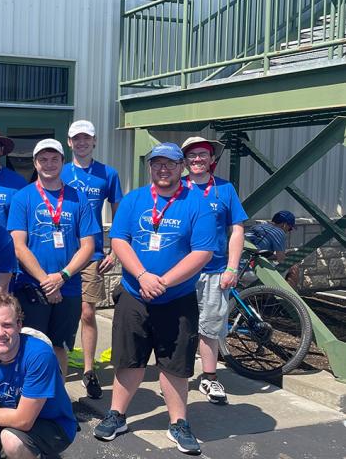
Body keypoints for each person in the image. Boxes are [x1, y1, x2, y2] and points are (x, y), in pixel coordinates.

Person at [95, 142, 217, 455]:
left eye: (170, 164)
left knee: (175, 364)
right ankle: (117, 415)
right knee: (129, 358)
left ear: (181, 167)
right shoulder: (135, 199)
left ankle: (178, 423)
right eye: (157, 163)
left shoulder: (197, 204)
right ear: (150, 167)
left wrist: (163, 282)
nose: (163, 169)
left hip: (177, 299)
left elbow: (203, 252)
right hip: (135, 295)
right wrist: (142, 276)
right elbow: (119, 239)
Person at [8, 138, 99, 376]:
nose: (49, 164)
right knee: (30, 345)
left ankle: (58, 395)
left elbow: (88, 246)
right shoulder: (23, 198)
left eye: (54, 159)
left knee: (60, 346)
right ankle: (30, 395)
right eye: (43, 159)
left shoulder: (78, 198)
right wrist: (46, 281)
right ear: (35, 163)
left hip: (68, 286)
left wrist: (62, 276)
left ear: (62, 161)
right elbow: (19, 246)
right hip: (31, 287)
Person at [0, 291, 77, 459]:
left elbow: (24, 421)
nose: (0, 333)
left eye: (7, 325)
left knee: (11, 440)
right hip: (13, 421)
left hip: (54, 425)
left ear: (19, 324)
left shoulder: (39, 355)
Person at [181, 136, 248, 405]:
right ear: (185, 161)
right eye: (192, 155)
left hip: (215, 271)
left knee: (209, 328)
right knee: (179, 326)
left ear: (212, 159)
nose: (197, 159)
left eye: (202, 154)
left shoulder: (225, 189)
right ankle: (176, 376)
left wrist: (232, 267)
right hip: (181, 272)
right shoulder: (177, 188)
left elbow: (237, 230)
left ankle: (209, 377)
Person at [60, 120, 123, 400]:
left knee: (87, 312)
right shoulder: (59, 171)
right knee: (63, 313)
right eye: (77, 139)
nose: (82, 143)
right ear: (69, 142)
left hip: (92, 254)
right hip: (62, 254)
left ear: (95, 141)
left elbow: (120, 215)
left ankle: (88, 370)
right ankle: (58, 365)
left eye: (87, 138)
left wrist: (115, 250)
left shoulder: (108, 174)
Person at [245, 210, 300, 289]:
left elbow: (258, 251)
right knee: (293, 267)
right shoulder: (279, 232)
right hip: (250, 271)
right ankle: (288, 296)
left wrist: (276, 255)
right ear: (284, 225)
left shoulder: (257, 226)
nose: (288, 231)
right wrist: (289, 258)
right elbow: (281, 260)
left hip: (237, 268)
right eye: (290, 228)